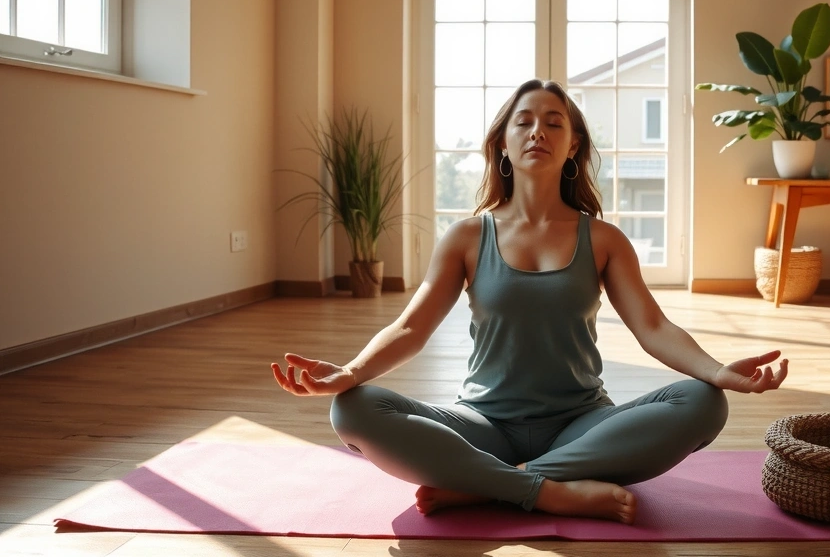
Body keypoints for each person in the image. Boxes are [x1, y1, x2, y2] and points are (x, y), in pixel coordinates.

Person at [271, 78, 788, 524]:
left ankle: (488, 486)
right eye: (523, 121)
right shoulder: (467, 237)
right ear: (502, 143)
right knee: (353, 409)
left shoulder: (604, 239)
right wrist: (351, 371)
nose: (537, 131)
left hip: (582, 424)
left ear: (573, 145)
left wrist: (717, 371)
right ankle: (545, 491)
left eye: (553, 122)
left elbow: (653, 327)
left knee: (702, 402)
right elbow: (411, 329)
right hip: (483, 425)